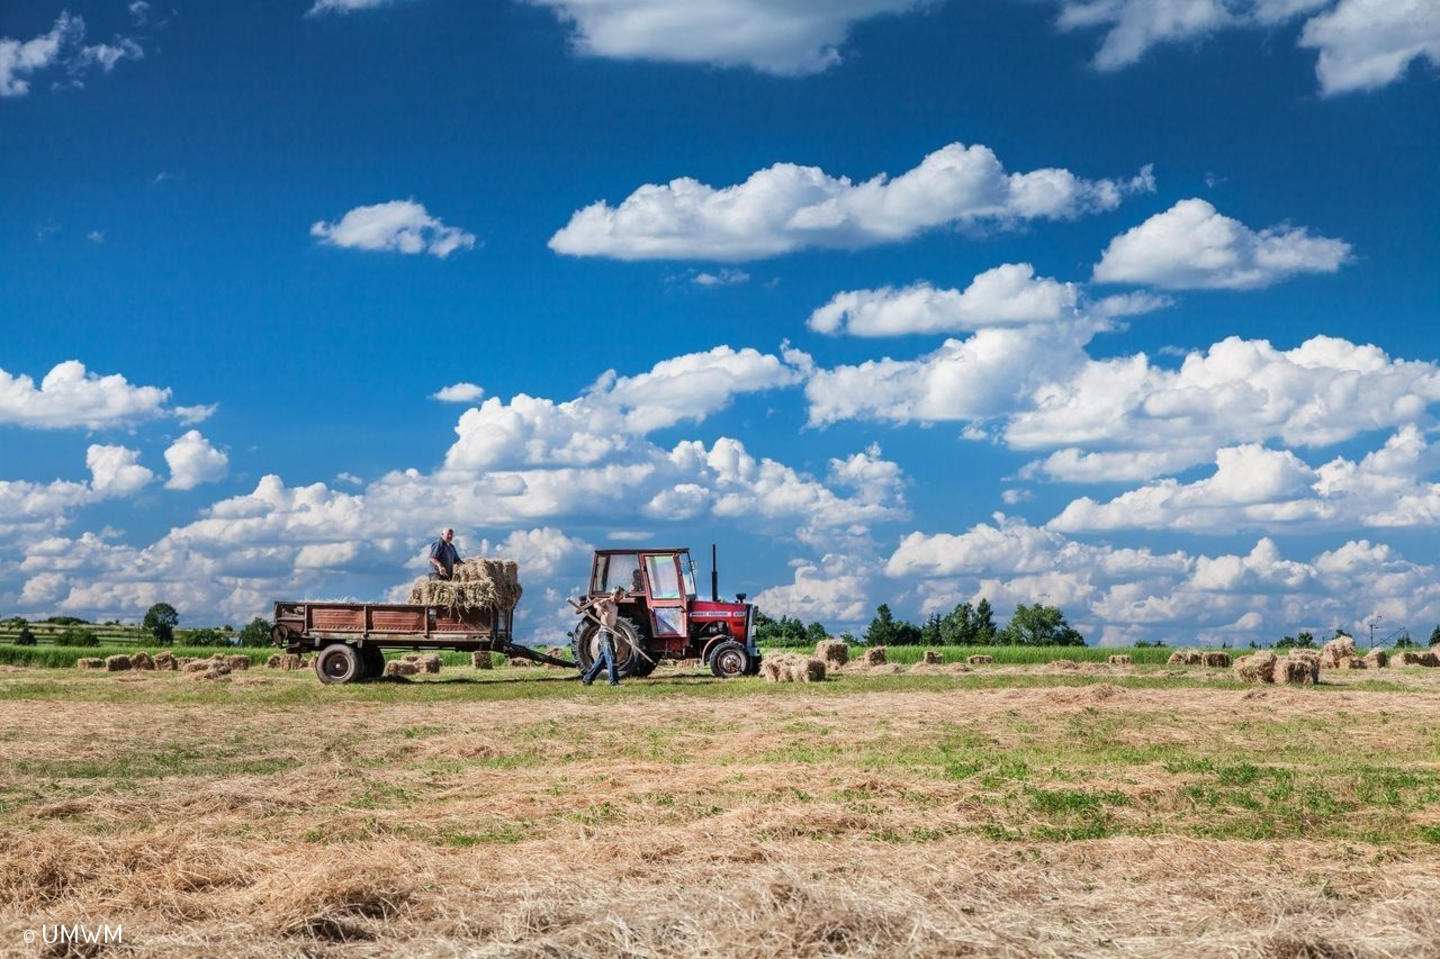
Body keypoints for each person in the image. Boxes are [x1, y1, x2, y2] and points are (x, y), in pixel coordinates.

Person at [578, 586, 625, 686]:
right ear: (616, 595)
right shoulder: (607, 602)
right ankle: (614, 682)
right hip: (604, 633)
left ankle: (587, 679)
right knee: (611, 657)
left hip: (610, 633)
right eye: (621, 596)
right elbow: (596, 604)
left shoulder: (616, 607)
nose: (622, 598)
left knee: (602, 661)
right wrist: (599, 608)